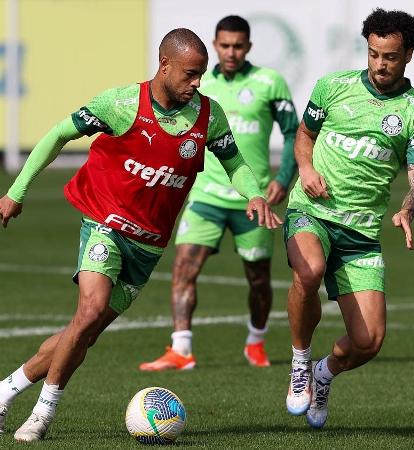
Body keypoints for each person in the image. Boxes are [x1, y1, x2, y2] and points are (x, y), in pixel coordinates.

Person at [0, 28, 281, 442]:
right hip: (104, 224)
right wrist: (16, 192)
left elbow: (233, 160)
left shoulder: (208, 114)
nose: (197, 82)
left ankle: (4, 393)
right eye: (189, 74)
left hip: (148, 246)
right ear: (164, 64)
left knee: (83, 331)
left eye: (201, 74)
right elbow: (60, 133)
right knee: (91, 310)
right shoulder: (121, 103)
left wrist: (254, 193)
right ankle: (42, 414)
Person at [284, 8, 414, 428]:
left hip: (361, 232)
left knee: (369, 342)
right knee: (309, 270)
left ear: (408, 55)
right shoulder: (333, 87)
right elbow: (304, 136)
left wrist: (408, 207)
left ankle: (322, 373)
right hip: (312, 211)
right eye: (373, 54)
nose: (379, 64)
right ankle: (299, 362)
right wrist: (307, 169)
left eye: (389, 56)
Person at [139, 15, 298, 372]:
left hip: (253, 200)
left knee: (258, 277)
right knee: (183, 268)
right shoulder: (197, 80)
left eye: (238, 46)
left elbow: (294, 133)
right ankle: (181, 349)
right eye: (224, 45)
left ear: (249, 47)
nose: (231, 52)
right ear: (215, 45)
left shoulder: (269, 83)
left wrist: (284, 178)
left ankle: (256, 341)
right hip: (206, 196)